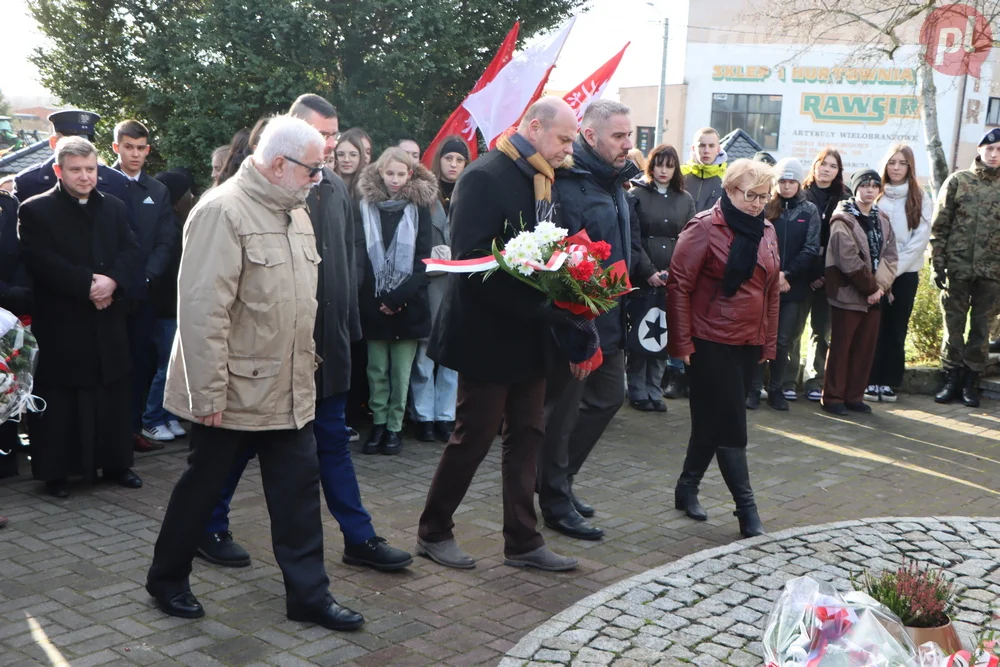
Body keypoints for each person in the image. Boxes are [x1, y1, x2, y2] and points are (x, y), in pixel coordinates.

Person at [145, 116, 364, 631]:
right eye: (314, 168)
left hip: (288, 389)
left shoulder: (297, 211)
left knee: (298, 498)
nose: (320, 177)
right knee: (202, 490)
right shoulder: (221, 211)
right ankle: (167, 579)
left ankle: (309, 596)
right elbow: (203, 311)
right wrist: (207, 392)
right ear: (280, 163)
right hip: (232, 390)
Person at [196, 95, 411, 573]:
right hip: (272, 351)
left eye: (335, 135)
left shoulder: (334, 186)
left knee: (332, 440)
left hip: (326, 344)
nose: (332, 146)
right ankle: (208, 525)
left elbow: (349, 259)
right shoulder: (250, 197)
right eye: (323, 135)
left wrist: (347, 328)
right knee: (240, 445)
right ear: (290, 136)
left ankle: (359, 537)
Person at [418, 97, 580, 572]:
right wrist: (544, 306)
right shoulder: (484, 175)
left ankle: (524, 542)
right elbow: (470, 265)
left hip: (529, 334)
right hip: (486, 334)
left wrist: (566, 285)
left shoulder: (543, 175)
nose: (568, 151)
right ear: (535, 127)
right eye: (564, 139)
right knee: (475, 434)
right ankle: (433, 531)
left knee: (528, 433)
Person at [539, 100, 641, 541]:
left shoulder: (616, 180)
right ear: (590, 136)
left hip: (613, 314)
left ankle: (559, 480)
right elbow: (561, 260)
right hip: (579, 322)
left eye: (630, 135)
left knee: (608, 398)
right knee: (562, 414)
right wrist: (577, 325)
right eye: (619, 136)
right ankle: (554, 500)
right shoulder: (566, 182)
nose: (628, 144)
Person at [18, 136, 142, 498]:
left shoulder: (115, 207)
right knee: (62, 401)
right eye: (76, 170)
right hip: (64, 320)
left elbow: (132, 250)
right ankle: (57, 473)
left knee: (112, 394)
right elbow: (40, 260)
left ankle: (117, 464)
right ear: (59, 170)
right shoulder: (35, 209)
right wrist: (88, 286)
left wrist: (112, 282)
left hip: (107, 320)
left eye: (90, 169)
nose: (85, 177)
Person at [667, 158, 780, 538]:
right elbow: (678, 286)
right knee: (731, 425)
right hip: (709, 341)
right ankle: (747, 511)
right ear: (730, 189)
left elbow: (771, 292)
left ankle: (687, 486)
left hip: (748, 342)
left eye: (764, 197)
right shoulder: (703, 228)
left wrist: (768, 340)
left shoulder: (766, 230)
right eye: (751, 195)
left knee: (710, 420)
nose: (757, 203)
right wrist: (681, 343)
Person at [357, 147, 435, 454]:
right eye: (389, 173)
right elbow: (361, 255)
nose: (395, 180)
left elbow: (424, 260)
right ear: (379, 173)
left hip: (409, 304)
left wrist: (399, 296)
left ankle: (394, 427)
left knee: (401, 373)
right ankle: (377, 423)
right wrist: (381, 298)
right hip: (374, 302)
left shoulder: (420, 207)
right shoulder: (365, 206)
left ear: (410, 174)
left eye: (401, 174)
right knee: (376, 369)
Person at [111, 120, 179, 446]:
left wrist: (148, 276)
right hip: (108, 293)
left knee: (140, 361)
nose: (135, 154)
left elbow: (166, 241)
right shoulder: (101, 184)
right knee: (110, 363)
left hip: (146, 293)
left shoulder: (158, 190)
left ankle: (133, 428)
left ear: (148, 150)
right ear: (116, 148)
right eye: (128, 147)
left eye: (140, 148)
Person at [931, 129, 1000, 408]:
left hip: (993, 273)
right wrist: (937, 265)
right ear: (980, 150)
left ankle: (971, 381)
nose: (995, 155)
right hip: (957, 269)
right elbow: (940, 227)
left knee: (982, 329)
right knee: (953, 327)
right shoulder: (959, 181)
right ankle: (951, 379)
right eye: (990, 148)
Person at [821, 170, 897, 416]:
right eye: (865, 185)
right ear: (855, 189)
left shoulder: (882, 218)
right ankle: (833, 398)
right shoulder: (842, 219)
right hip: (848, 294)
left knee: (865, 349)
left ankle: (854, 396)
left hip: (875, 296)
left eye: (875, 186)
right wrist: (872, 288)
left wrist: (881, 287)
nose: (870, 190)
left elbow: (891, 256)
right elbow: (847, 259)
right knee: (842, 347)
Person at [747, 158, 820, 411]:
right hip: (762, 284)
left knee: (782, 341)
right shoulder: (764, 206)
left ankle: (776, 389)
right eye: (782, 181)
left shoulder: (809, 210)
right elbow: (754, 242)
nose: (787, 186)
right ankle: (755, 389)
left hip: (792, 286)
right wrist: (772, 275)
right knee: (759, 338)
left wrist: (786, 275)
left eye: (792, 181)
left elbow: (811, 248)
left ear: (799, 182)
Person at [629, 144, 696, 406]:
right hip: (643, 277)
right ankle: (636, 391)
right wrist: (648, 271)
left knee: (662, 336)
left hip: (671, 280)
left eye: (669, 165)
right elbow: (635, 239)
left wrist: (673, 272)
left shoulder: (685, 199)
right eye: (659, 164)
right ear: (651, 165)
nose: (664, 171)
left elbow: (689, 239)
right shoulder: (636, 195)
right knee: (639, 335)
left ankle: (654, 391)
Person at [410, 136, 467, 443]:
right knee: (424, 353)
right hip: (430, 282)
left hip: (458, 285)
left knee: (451, 353)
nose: (453, 165)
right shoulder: (424, 194)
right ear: (439, 161)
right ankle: (422, 415)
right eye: (449, 159)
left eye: (460, 160)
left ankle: (445, 415)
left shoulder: (471, 193)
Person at [866, 145, 932, 403]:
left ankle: (889, 381)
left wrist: (892, 272)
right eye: (892, 162)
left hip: (904, 274)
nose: (896, 167)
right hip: (873, 274)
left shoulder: (920, 198)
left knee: (896, 328)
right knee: (874, 327)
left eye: (902, 163)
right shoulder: (876, 194)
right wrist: (877, 272)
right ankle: (870, 379)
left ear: (910, 167)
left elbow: (919, 240)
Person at [140, 171, 195, 443]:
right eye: (188, 193)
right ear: (176, 198)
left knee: (176, 368)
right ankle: (151, 418)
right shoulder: (170, 230)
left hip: (177, 308)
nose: (193, 197)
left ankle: (169, 413)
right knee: (166, 366)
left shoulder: (181, 224)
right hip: (165, 309)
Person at [799, 148, 851, 402]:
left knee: (821, 329)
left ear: (838, 171)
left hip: (830, 272)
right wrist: (809, 271)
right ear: (815, 165)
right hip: (800, 271)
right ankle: (787, 378)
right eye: (823, 163)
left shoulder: (844, 198)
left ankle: (814, 378)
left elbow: (847, 242)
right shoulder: (799, 193)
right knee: (794, 328)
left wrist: (825, 272)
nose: (826, 169)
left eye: (833, 166)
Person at [681, 127, 726, 213]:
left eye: (711, 146)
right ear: (693, 148)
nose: (706, 150)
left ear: (718, 149)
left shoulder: (728, 179)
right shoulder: (679, 174)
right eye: (702, 145)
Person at [334, 128, 369, 201]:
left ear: (361, 157)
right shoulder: (325, 185)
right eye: (341, 154)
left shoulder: (368, 191)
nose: (346, 160)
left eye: (353, 155)